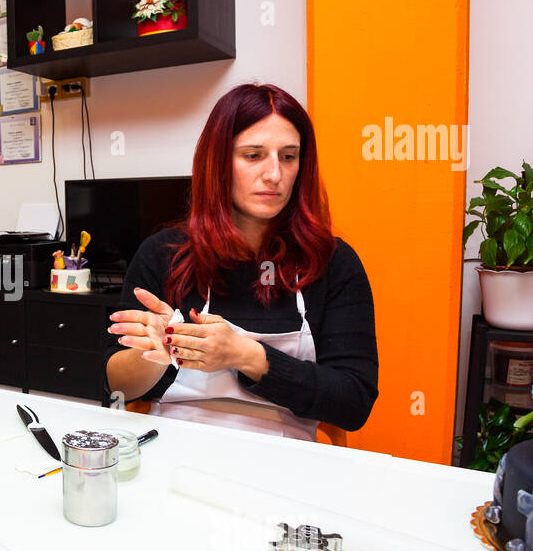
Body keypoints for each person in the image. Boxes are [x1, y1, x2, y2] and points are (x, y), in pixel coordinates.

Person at [104, 83, 378, 440]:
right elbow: (116, 388)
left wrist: (245, 355)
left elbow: (354, 402)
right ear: (218, 162)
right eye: (253, 156)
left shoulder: (333, 263)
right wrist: (151, 356)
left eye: (289, 157)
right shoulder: (162, 253)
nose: (275, 175)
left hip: (287, 457)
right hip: (175, 447)